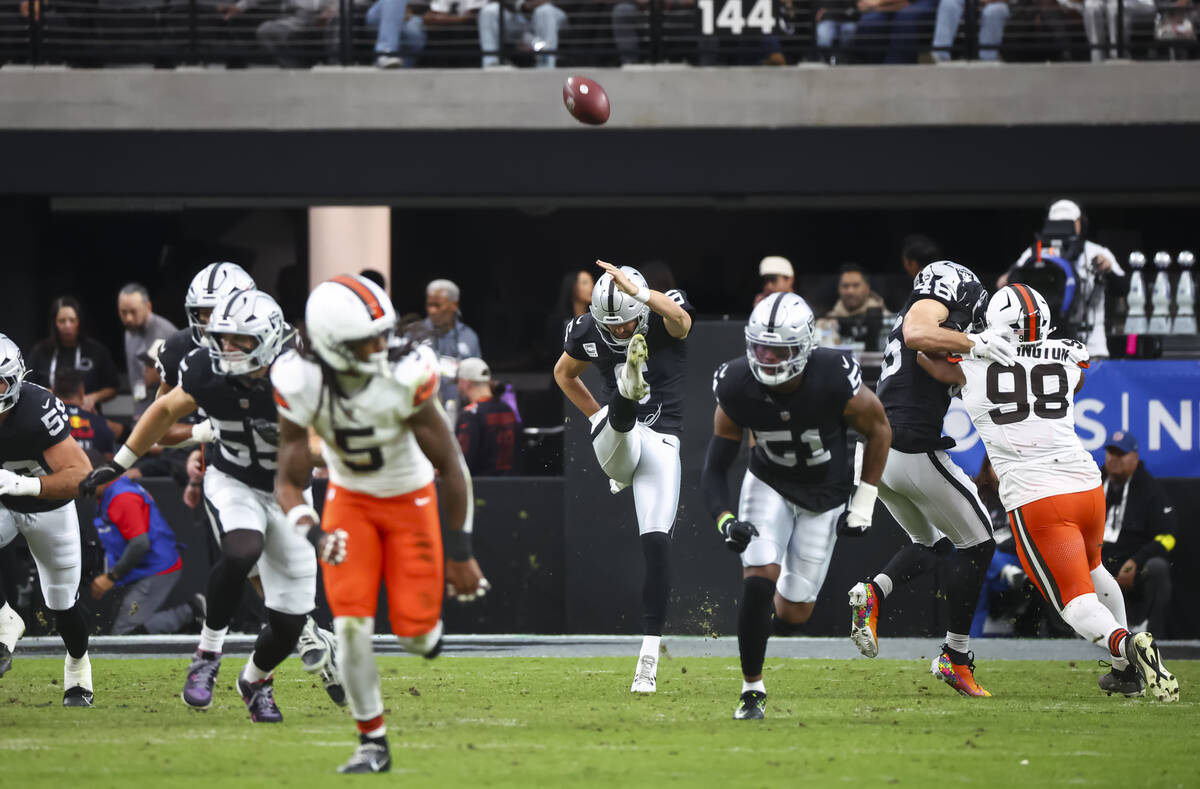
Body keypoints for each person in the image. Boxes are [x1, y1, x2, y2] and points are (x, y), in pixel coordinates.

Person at [82, 289, 343, 720]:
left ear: (266, 338)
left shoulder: (300, 375)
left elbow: (319, 443)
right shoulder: (205, 368)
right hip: (233, 477)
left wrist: (328, 453)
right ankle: (207, 653)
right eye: (222, 337)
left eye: (238, 340)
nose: (226, 347)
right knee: (242, 549)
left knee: (290, 622)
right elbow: (165, 411)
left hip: (288, 489)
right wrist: (119, 463)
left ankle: (254, 679)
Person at [918, 284, 1178, 702]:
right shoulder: (1069, 352)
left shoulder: (971, 359)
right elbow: (1072, 386)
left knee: (1072, 600)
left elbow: (924, 355)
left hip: (1036, 493)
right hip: (1085, 483)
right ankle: (1123, 672)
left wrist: (973, 342)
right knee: (1095, 571)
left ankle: (1128, 645)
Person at [272, 273, 489, 774]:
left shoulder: (405, 371)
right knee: (349, 626)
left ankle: (426, 631)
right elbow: (287, 480)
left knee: (414, 636)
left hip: (409, 500)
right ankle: (373, 742)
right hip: (350, 502)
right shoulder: (297, 379)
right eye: (364, 340)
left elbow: (452, 466)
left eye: (381, 334)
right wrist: (313, 532)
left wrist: (460, 551)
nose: (378, 347)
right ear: (330, 345)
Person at [702, 292, 891, 720]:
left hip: (824, 496)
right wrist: (725, 521)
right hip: (769, 482)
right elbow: (714, 468)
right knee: (758, 577)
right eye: (760, 347)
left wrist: (864, 501)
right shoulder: (735, 384)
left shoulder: (832, 375)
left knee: (794, 610)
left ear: (804, 346)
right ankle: (752, 690)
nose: (767, 358)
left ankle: (769, 609)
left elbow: (879, 429)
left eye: (779, 349)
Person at [848, 260, 1014, 697]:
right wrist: (976, 341)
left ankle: (873, 592)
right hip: (907, 446)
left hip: (877, 452)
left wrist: (976, 357)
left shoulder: (942, 331)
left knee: (935, 546)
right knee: (979, 543)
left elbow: (937, 363)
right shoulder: (936, 305)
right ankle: (955, 657)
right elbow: (918, 334)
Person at [553, 261, 694, 694]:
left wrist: (638, 291)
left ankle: (647, 660)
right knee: (620, 428)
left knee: (655, 543)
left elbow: (682, 321)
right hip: (615, 436)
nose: (618, 331)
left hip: (661, 441)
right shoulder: (587, 330)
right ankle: (623, 400)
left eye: (627, 323)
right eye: (610, 325)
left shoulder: (662, 312)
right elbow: (563, 373)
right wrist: (594, 414)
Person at [0, 334, 94, 706]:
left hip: (48, 507)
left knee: (61, 606)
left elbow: (82, 476)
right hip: (3, 504)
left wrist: (24, 484)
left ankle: (78, 667)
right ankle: (5, 617)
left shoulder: (36, 409)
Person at [88, 458, 202, 636]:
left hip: (156, 567)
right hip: (141, 568)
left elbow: (140, 544)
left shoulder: (122, 497)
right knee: (123, 626)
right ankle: (190, 612)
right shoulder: (110, 492)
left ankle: (190, 613)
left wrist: (111, 576)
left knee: (124, 634)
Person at [1000, 199, 1124, 357]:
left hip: (1090, 348)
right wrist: (1027, 272)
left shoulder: (1094, 252)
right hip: (1043, 349)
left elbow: (1122, 288)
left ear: (1080, 223)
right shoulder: (1035, 253)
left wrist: (1107, 270)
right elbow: (1002, 283)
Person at [1099, 431, 1178, 637]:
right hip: (1096, 561)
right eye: (1110, 453)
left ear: (1135, 457)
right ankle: (1066, 634)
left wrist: (1136, 560)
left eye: (1120, 454)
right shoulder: (1093, 483)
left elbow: (1167, 536)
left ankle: (1151, 635)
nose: (1113, 459)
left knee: (1158, 567)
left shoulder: (1151, 490)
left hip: (1132, 563)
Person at [27, 297, 120, 414]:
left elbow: (113, 387)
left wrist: (93, 397)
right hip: (48, 416)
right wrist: (47, 393)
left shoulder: (96, 350)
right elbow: (26, 385)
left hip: (87, 417)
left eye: (72, 320)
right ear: (54, 323)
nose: (67, 325)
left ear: (79, 322)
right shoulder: (40, 351)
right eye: (62, 321)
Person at [118, 283, 178, 420]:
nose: (128, 318)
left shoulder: (167, 333)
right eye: (123, 312)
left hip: (165, 417)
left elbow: (184, 379)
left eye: (133, 312)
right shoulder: (130, 331)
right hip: (140, 413)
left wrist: (161, 376)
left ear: (148, 307)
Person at [422, 278, 482, 407]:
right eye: (429, 305)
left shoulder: (468, 337)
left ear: (454, 305)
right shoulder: (417, 335)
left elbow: (477, 378)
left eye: (437, 305)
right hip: (426, 411)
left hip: (461, 409)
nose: (432, 311)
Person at [455, 357, 519, 476]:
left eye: (458, 382)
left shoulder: (470, 414)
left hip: (480, 487)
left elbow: (463, 462)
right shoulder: (508, 409)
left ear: (465, 382)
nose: (458, 387)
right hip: (510, 486)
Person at [479, 0, 568, 68]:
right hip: (517, 16)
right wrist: (523, 5)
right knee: (489, 11)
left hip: (550, 13)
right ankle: (491, 63)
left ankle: (546, 65)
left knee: (545, 11)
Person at [53, 369, 118, 461]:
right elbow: (109, 463)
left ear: (53, 391)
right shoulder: (101, 424)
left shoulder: (45, 421)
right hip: (92, 474)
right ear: (81, 391)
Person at [825, 262, 888, 350]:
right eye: (845, 286)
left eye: (856, 285)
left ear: (867, 288)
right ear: (839, 289)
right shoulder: (827, 321)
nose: (850, 291)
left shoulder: (885, 318)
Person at [853, 0, 938, 64]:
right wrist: (879, 6)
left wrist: (877, 3)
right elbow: (862, 5)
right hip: (890, 5)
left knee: (906, 17)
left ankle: (896, 74)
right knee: (870, 22)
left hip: (923, 3)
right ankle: (871, 76)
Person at [931, 0, 1009, 61]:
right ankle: (940, 54)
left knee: (995, 10)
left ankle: (988, 59)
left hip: (994, 3)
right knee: (948, 3)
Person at [544, 269, 595, 359]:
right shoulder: (558, 322)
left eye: (592, 282)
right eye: (585, 283)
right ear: (572, 286)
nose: (592, 286)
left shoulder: (596, 319)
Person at [366, 0, 429, 68]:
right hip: (380, 13)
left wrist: (407, 9)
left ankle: (398, 63)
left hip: (414, 17)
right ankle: (387, 53)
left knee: (415, 28)